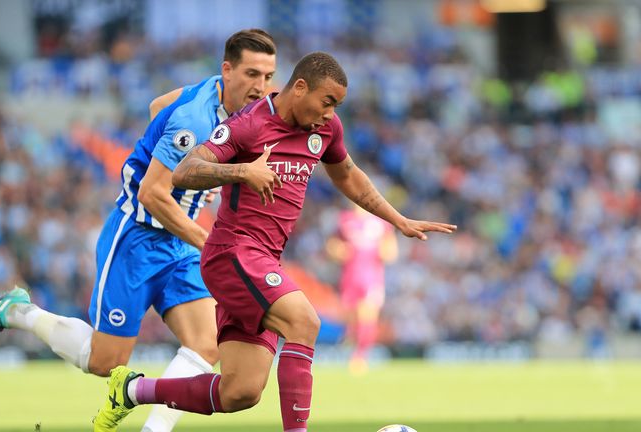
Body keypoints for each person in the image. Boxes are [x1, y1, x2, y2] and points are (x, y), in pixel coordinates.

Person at [92, 52, 457, 432]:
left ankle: (133, 390)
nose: (330, 113)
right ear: (300, 88)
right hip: (231, 252)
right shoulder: (248, 125)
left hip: (262, 259)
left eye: (337, 106)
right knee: (305, 322)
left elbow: (348, 174)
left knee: (240, 392)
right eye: (326, 102)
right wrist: (243, 171)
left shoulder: (325, 131)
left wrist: (396, 219)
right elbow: (184, 171)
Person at [0, 29, 277, 432]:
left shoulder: (216, 97)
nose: (261, 87)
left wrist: (190, 176)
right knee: (105, 361)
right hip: (138, 239)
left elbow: (157, 105)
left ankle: (154, 430)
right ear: (227, 70)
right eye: (252, 74)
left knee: (204, 342)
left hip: (180, 244)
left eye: (267, 76)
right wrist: (206, 234)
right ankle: (19, 312)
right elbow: (152, 194)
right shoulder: (195, 120)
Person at [326, 204, 397, 374]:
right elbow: (332, 245)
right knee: (352, 318)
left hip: (371, 276)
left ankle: (360, 357)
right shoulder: (344, 219)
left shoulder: (382, 222)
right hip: (350, 276)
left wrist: (384, 251)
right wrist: (340, 251)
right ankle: (353, 348)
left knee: (368, 315)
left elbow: (391, 252)